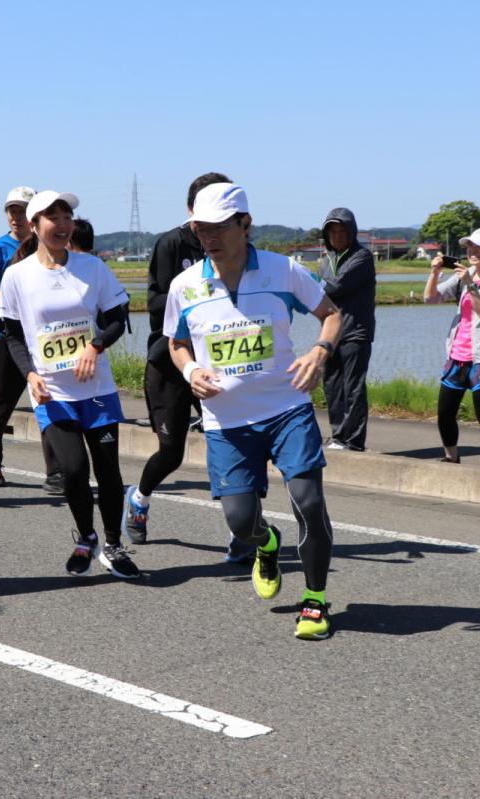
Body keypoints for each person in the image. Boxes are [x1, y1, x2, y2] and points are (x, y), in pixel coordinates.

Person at [164, 183, 343, 640]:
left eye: (218, 226)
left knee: (308, 501)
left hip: (287, 408)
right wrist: (190, 373)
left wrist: (319, 352)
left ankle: (316, 601)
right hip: (226, 421)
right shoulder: (185, 285)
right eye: (200, 228)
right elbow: (177, 343)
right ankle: (266, 544)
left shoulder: (284, 271)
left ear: (245, 224)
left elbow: (332, 314)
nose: (208, 236)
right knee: (241, 522)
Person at [0, 190, 140, 579]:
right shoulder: (17, 276)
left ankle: (113, 544)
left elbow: (116, 318)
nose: (62, 225)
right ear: (34, 226)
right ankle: (87, 537)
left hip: (96, 388)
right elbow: (12, 334)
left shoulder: (92, 268)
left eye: (67, 218)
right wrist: (29, 373)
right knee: (74, 470)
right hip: (52, 391)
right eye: (52, 218)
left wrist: (95, 346)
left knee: (108, 471)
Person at [123, 173, 236, 553]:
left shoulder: (235, 248)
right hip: (171, 363)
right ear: (193, 209)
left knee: (228, 446)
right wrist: (194, 294)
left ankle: (241, 529)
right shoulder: (172, 243)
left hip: (217, 364)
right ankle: (139, 499)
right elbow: (155, 304)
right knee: (171, 452)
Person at [0, 186, 62, 493]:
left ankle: (57, 473)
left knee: (50, 402)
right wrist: (19, 296)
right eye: (11, 210)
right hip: (5, 337)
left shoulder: (52, 246)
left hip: (45, 338)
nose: (15, 216)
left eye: (21, 210)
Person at [423, 226, 480, 469]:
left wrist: (470, 284)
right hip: (457, 355)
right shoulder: (466, 272)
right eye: (470, 246)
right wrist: (435, 273)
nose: (473, 251)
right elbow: (430, 298)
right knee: (444, 412)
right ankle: (451, 457)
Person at [317, 208, 376, 451]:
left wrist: (309, 282)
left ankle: (353, 440)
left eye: (342, 231)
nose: (338, 236)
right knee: (332, 385)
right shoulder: (325, 261)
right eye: (333, 232)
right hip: (331, 334)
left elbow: (336, 286)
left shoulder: (362, 257)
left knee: (353, 386)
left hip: (356, 331)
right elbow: (322, 289)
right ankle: (339, 435)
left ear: (351, 232)